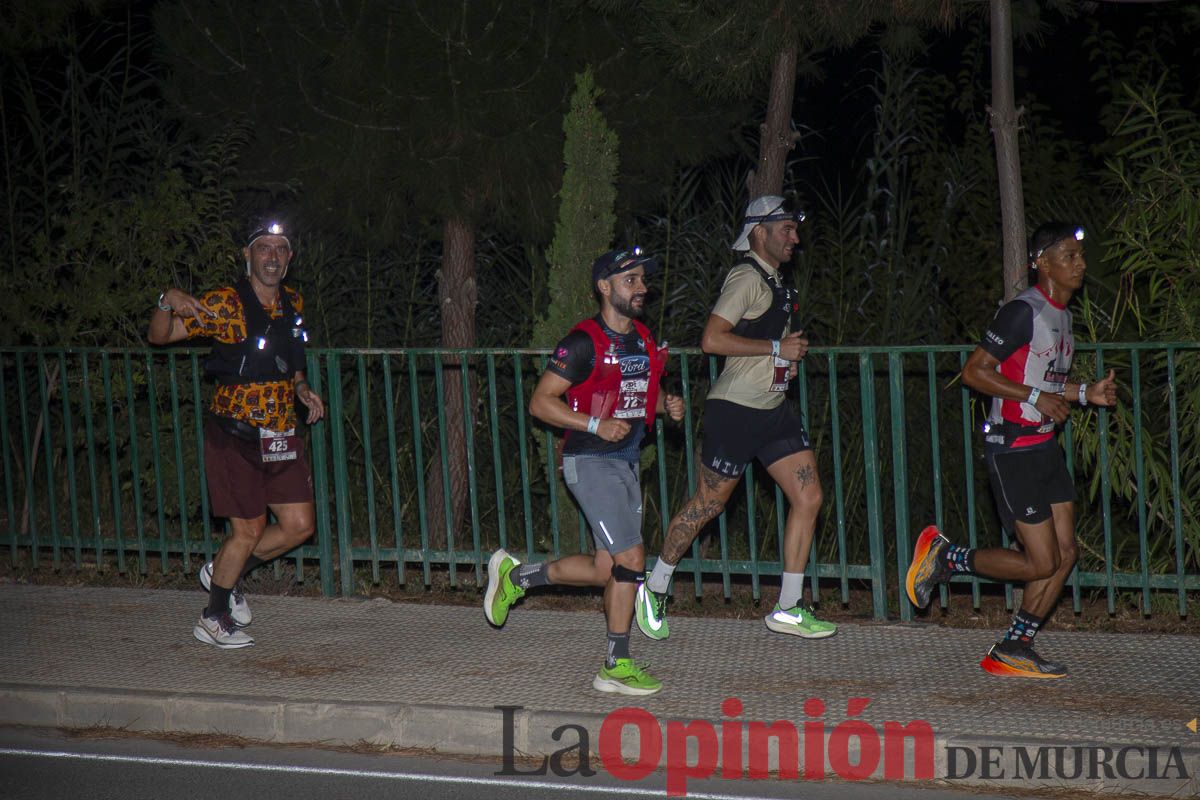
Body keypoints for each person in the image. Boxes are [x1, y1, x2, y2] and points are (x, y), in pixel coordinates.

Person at [906, 221, 1118, 678]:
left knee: (1065, 555)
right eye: (1068, 256)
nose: (1079, 264)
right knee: (1040, 561)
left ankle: (1014, 647)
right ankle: (948, 557)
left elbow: (1048, 385)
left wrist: (1086, 395)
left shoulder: (1062, 315)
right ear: (1041, 264)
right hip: (1013, 448)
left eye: (1080, 256)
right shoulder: (1023, 312)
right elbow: (975, 372)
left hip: (1045, 447)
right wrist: (1033, 397)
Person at [484, 247, 684, 696]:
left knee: (603, 570)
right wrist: (594, 424)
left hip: (626, 461)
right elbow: (541, 402)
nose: (641, 288)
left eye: (642, 281)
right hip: (589, 460)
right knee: (632, 560)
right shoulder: (581, 342)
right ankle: (616, 663)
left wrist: (666, 405)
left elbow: (641, 396)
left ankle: (516, 578)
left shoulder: (644, 340)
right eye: (630, 280)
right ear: (604, 286)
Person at [636, 196, 838, 641]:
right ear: (758, 233)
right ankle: (654, 587)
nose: (795, 238)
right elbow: (711, 339)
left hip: (774, 411)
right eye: (785, 229)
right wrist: (775, 350)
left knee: (809, 497)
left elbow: (771, 343)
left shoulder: (777, 281)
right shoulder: (746, 277)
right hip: (736, 412)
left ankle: (787, 606)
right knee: (708, 505)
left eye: (795, 230)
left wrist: (787, 357)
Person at [148, 221, 325, 649]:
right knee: (248, 529)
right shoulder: (225, 304)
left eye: (280, 250)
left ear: (289, 259)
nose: (272, 256)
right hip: (235, 433)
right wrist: (165, 302)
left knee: (300, 526)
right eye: (263, 248)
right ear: (248, 256)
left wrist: (302, 389)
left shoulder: (292, 303)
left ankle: (226, 571)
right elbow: (161, 336)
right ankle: (213, 616)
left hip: (279, 433)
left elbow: (293, 363)